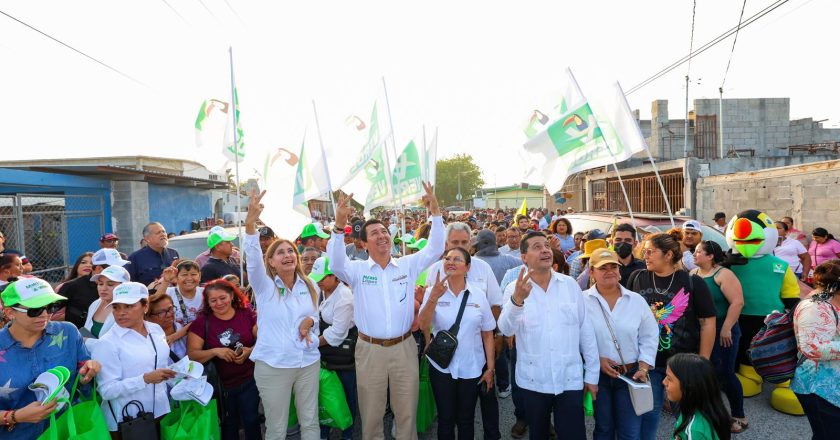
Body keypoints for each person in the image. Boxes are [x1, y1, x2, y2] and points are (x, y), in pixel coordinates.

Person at [328, 182, 444, 440]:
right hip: (369, 350)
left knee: (406, 414)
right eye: (375, 234)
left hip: (404, 347)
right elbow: (335, 262)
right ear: (364, 244)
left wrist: (435, 212)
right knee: (371, 415)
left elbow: (436, 249)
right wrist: (338, 225)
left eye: (384, 231)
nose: (382, 236)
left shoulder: (407, 265)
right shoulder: (356, 270)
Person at [498, 231, 599, 440]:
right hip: (534, 380)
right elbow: (506, 330)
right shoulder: (513, 289)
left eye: (546, 245)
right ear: (524, 257)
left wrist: (591, 374)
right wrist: (517, 300)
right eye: (537, 246)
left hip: (569, 378)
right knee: (539, 434)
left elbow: (585, 331)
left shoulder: (569, 285)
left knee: (574, 435)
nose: (545, 250)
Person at [243, 190, 321, 440]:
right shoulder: (264, 286)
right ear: (272, 262)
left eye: (290, 251)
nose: (287, 255)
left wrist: (311, 321)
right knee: (277, 428)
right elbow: (253, 260)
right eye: (280, 252)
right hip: (274, 365)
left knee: (310, 422)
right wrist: (250, 225)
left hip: (308, 362)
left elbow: (315, 318)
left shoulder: (310, 285)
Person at [625, 231, 717, 440]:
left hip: (683, 364)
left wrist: (702, 361)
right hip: (647, 362)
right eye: (644, 251)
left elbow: (707, 322)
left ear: (668, 255)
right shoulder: (637, 277)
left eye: (650, 252)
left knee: (687, 414)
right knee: (649, 412)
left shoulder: (692, 282)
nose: (645, 256)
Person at [426, 224, 505, 439]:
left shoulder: (482, 272)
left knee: (470, 415)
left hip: (474, 358)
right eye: (454, 243)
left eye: (464, 243)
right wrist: (427, 338)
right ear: (446, 245)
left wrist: (491, 361)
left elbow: (494, 307)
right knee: (446, 418)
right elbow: (425, 320)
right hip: (443, 361)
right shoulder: (435, 271)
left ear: (470, 244)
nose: (459, 248)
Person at [0, 278, 101, 439]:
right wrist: (15, 416)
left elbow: (83, 375)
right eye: (35, 310)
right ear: (10, 312)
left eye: (51, 307)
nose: (45, 315)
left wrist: (88, 371)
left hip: (68, 430)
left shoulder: (68, 332)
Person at [584, 248, 658, 440]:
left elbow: (649, 335)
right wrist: (596, 360)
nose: (610, 271)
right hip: (598, 375)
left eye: (613, 267)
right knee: (603, 428)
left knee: (630, 431)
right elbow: (575, 338)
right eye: (603, 268)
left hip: (631, 374)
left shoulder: (636, 300)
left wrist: (643, 366)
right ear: (591, 272)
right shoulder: (581, 301)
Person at [91, 282, 176, 434]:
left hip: (161, 411)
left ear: (145, 307)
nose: (121, 312)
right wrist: (144, 379)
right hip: (129, 421)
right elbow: (107, 391)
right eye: (116, 307)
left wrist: (180, 375)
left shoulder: (156, 330)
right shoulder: (107, 343)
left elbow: (159, 366)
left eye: (129, 306)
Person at [187, 279, 260, 440]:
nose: (219, 303)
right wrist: (215, 351)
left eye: (223, 298)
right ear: (207, 302)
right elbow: (192, 354)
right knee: (228, 424)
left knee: (252, 420)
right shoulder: (202, 322)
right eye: (213, 300)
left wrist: (250, 351)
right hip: (221, 386)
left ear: (232, 296)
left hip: (250, 380)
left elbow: (264, 340)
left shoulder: (246, 313)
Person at [692, 240, 748, 432]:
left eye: (699, 252)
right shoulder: (693, 274)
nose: (694, 254)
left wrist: (726, 328)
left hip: (725, 330)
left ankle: (739, 414)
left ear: (710, 256)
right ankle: (713, 414)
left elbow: (737, 302)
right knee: (707, 374)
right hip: (702, 331)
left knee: (725, 373)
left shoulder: (723, 274)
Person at [791, 261, 840, 439]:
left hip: (831, 387)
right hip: (817, 387)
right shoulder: (815, 307)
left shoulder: (830, 302)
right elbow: (812, 348)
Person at [310, 256, 358, 440]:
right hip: (324, 352)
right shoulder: (320, 290)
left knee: (346, 394)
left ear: (335, 276)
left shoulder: (344, 297)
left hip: (342, 356)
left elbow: (337, 334)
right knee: (325, 393)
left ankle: (348, 433)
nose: (319, 281)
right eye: (317, 277)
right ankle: (324, 431)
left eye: (323, 278)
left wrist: (311, 343)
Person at [664, 353, 732, 440]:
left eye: (669, 378)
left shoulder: (695, 431)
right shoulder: (693, 410)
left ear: (689, 386)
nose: (664, 382)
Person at [59, 248, 130, 328]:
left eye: (110, 284)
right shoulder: (72, 286)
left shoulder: (123, 286)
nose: (103, 288)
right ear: (98, 268)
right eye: (113, 267)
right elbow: (50, 311)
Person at [84, 265, 131, 341]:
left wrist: (87, 341)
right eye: (100, 284)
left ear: (123, 286)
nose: (103, 288)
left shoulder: (129, 310)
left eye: (110, 284)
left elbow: (120, 343)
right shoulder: (95, 304)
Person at [153, 259, 204, 326]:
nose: (189, 278)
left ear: (199, 276)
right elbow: (154, 303)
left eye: (193, 274)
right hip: (174, 335)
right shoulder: (169, 292)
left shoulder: (205, 292)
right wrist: (165, 281)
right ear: (176, 277)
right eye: (184, 275)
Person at [145, 294, 188, 361]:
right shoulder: (146, 340)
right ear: (148, 317)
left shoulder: (182, 329)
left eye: (170, 309)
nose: (169, 314)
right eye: (161, 312)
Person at [612, 223, 646, 289]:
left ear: (635, 244)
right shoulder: (606, 267)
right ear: (611, 242)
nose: (622, 243)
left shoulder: (643, 267)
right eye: (618, 240)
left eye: (627, 240)